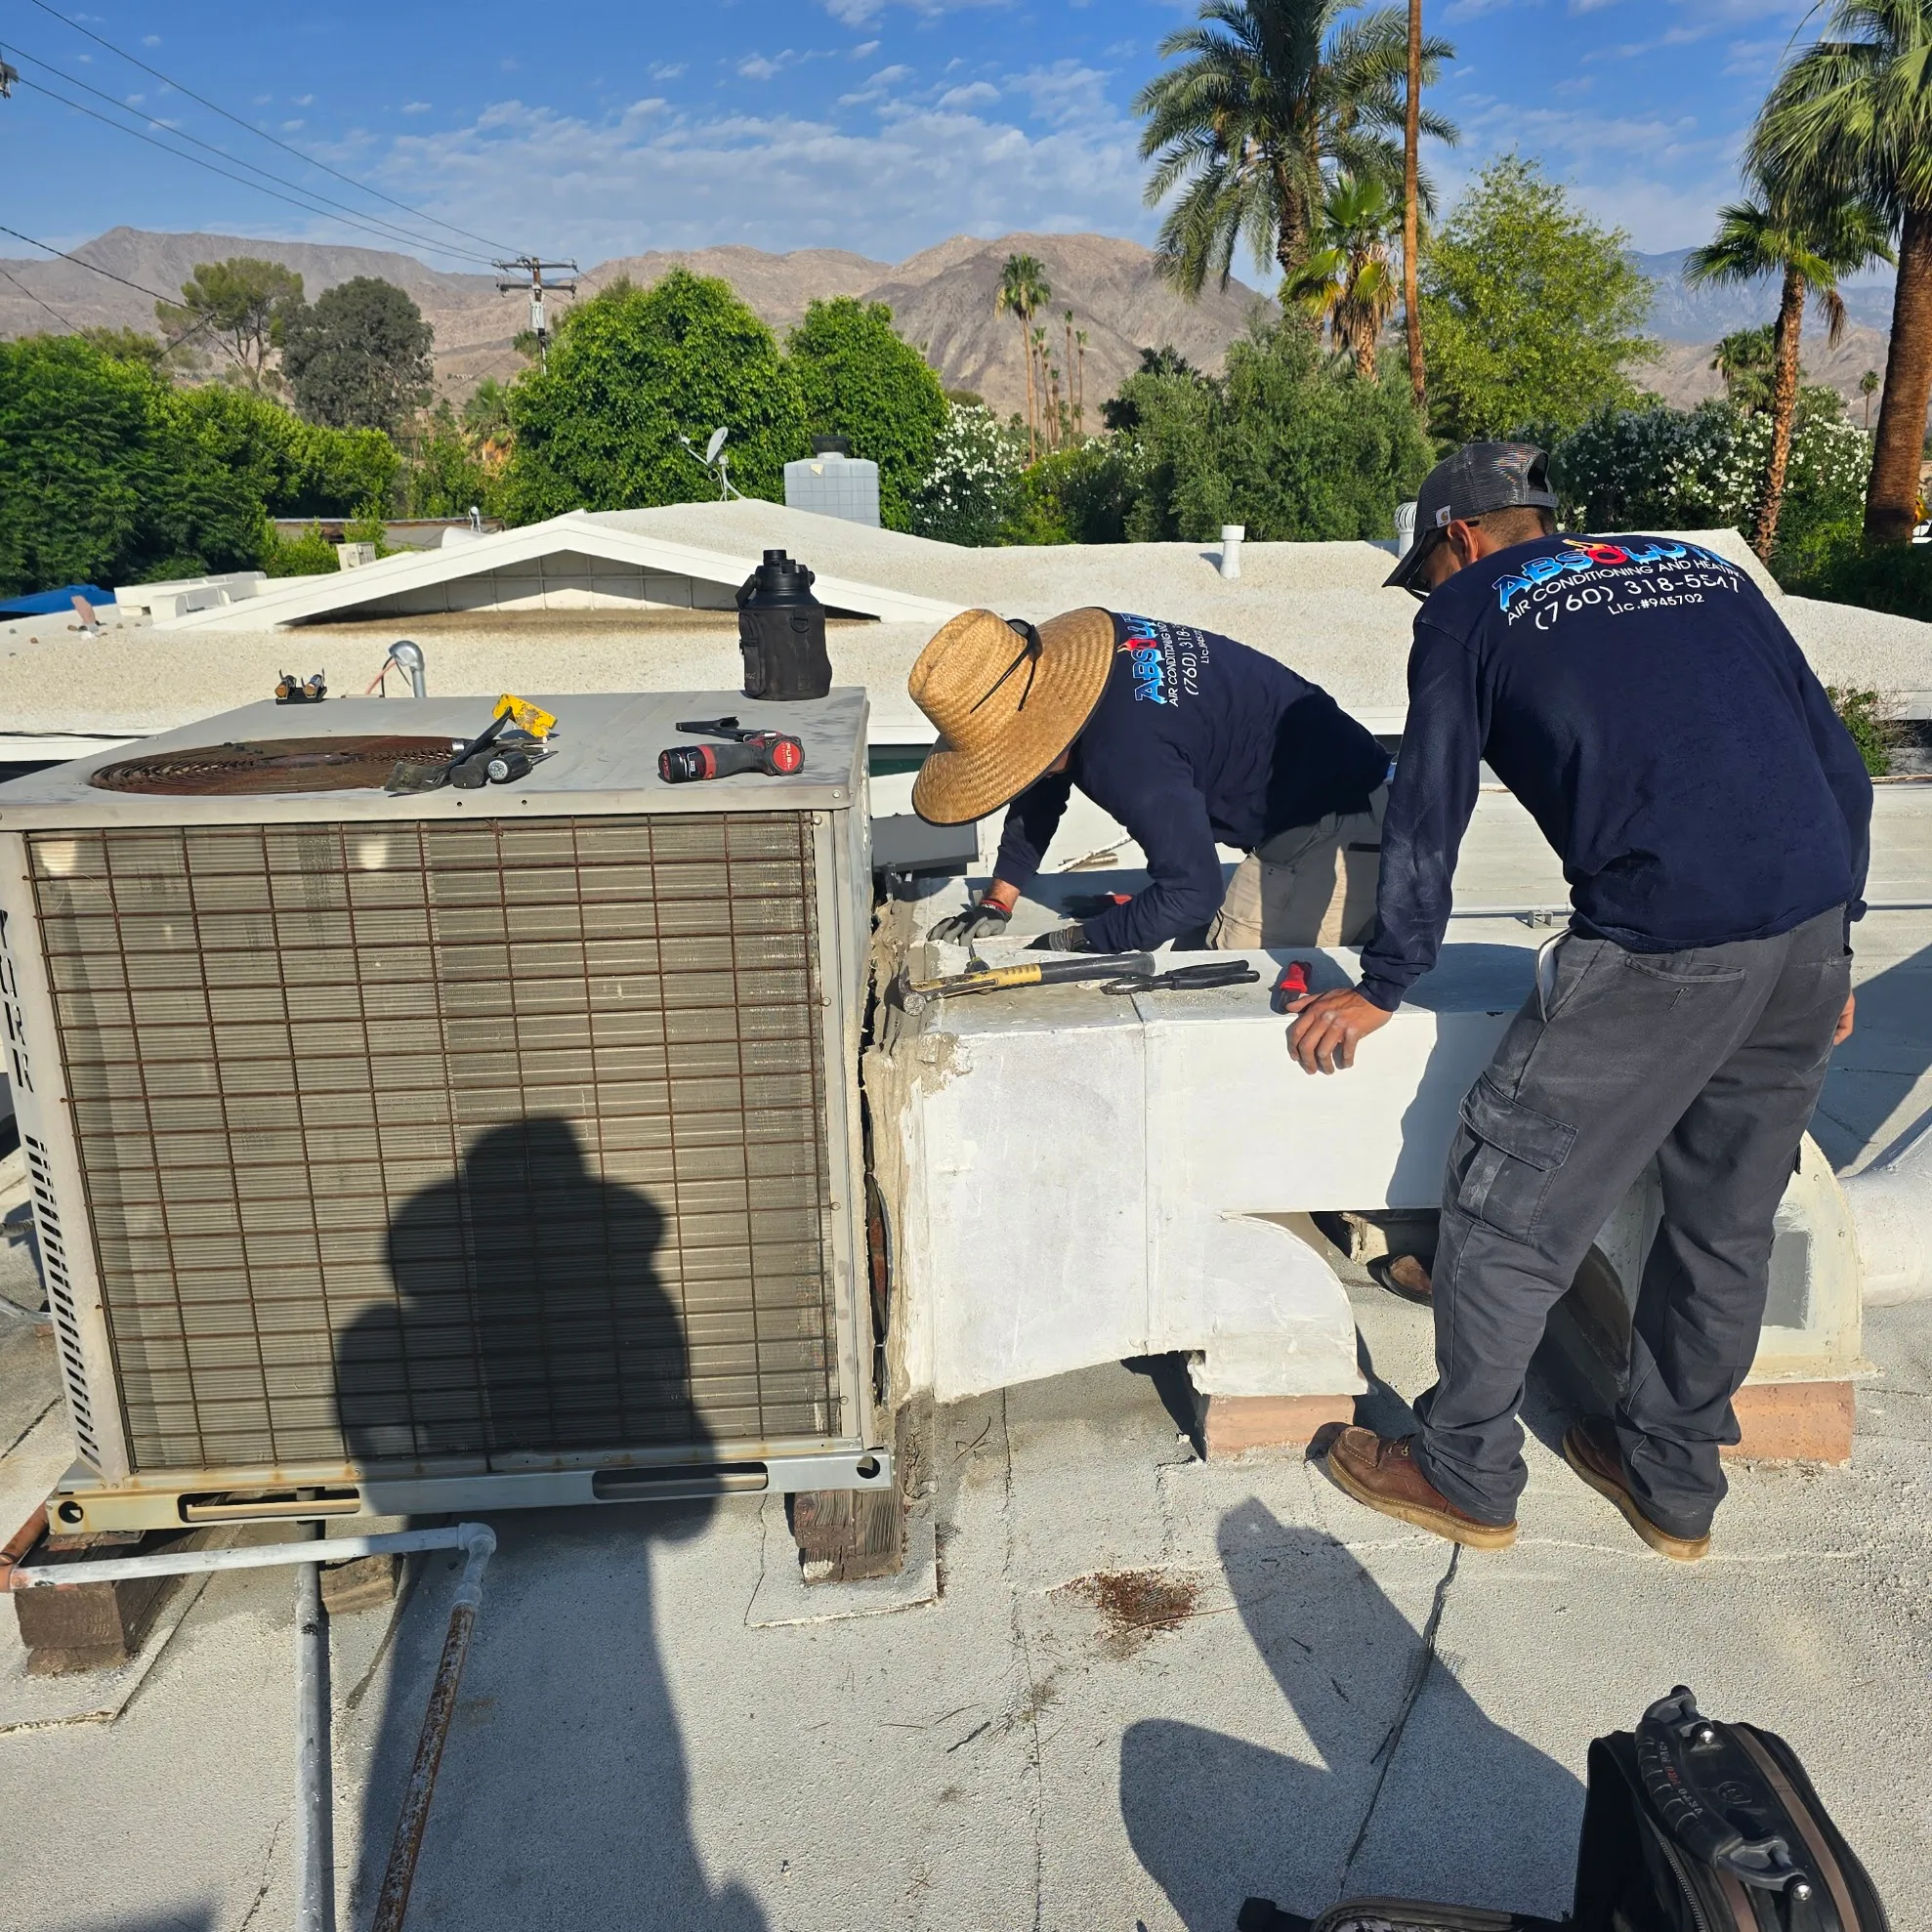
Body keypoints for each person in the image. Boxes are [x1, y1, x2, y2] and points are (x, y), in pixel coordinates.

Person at [1287, 441, 1870, 1562]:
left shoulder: (1465, 612)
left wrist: (1384, 984)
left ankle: (1461, 1468)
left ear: (1460, 538)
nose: (1426, 591)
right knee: (1724, 1223)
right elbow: (1835, 764)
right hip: (1800, 934)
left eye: (1424, 570)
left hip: (1660, 943)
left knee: (1509, 1202)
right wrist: (1833, 946)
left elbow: (1428, 813)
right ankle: (1671, 1481)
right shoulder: (1698, 566)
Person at [907, 606, 1391, 955]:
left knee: (1226, 954)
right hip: (1328, 785)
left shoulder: (1125, 756)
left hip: (1342, 828)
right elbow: (1044, 786)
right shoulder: (1085, 675)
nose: (1018, 776)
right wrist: (999, 899)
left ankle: (1364, 913)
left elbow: (1194, 893)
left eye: (1013, 762)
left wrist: (1085, 939)